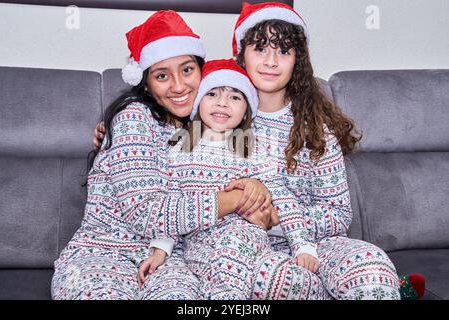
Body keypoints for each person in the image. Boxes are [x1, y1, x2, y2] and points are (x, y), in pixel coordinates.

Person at [52, 10, 275, 300]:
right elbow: (146, 213)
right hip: (104, 253)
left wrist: (256, 187)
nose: (179, 86)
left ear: (202, 72)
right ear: (145, 82)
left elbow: (241, 171)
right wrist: (235, 200)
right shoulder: (134, 117)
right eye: (162, 76)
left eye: (187, 70)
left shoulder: (204, 126)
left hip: (173, 261)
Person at [229, 1, 425, 300]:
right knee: (282, 281)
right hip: (246, 251)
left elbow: (338, 215)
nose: (271, 61)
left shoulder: (316, 130)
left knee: (371, 268)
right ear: (241, 53)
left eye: (283, 51)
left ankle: (389, 287)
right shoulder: (215, 119)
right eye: (261, 48)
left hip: (320, 244)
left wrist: (279, 220)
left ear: (298, 61)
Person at [138, 58, 319, 299]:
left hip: (245, 239)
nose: (223, 103)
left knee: (238, 251)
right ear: (198, 101)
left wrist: (303, 245)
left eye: (235, 97)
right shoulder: (179, 145)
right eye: (212, 94)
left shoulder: (251, 148)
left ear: (246, 109)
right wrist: (160, 249)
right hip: (198, 246)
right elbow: (171, 200)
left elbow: (283, 198)